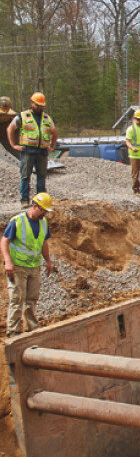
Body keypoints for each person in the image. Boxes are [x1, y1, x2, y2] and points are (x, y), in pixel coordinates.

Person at [1, 193, 54, 338]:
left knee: (32, 298)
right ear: (34, 206)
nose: (44, 214)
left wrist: (48, 261)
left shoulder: (43, 222)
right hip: (18, 267)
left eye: (46, 211)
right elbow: (4, 241)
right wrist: (8, 262)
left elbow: (43, 242)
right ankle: (14, 331)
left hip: (34, 266)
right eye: (43, 210)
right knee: (17, 299)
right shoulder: (18, 221)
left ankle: (31, 328)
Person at [7, 93, 57, 209]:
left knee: (41, 177)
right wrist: (13, 145)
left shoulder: (47, 118)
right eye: (38, 105)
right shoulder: (23, 116)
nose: (40, 108)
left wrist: (52, 146)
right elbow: (10, 128)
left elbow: (54, 132)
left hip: (42, 152)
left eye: (42, 106)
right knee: (25, 176)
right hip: (28, 151)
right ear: (32, 103)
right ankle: (25, 200)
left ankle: (41, 200)